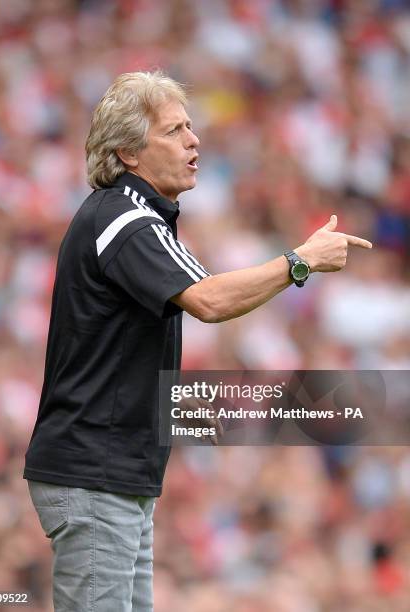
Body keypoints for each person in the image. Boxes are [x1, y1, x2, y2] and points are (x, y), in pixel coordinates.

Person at [23, 71, 372, 612]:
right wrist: (300, 261)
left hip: (115, 476)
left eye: (190, 126)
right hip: (95, 473)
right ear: (129, 154)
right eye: (173, 131)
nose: (194, 140)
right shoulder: (124, 219)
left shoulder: (137, 219)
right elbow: (209, 300)